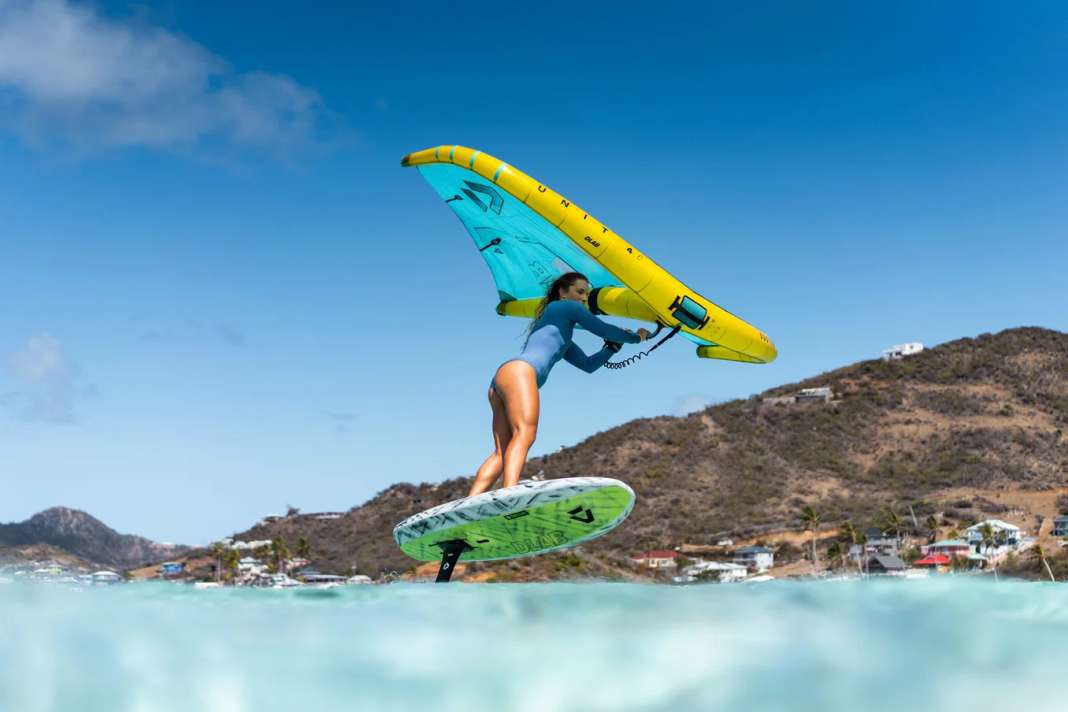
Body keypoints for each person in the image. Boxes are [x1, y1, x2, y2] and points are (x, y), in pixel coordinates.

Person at [467, 272, 650, 497]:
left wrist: (610, 349)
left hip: (502, 378)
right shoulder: (564, 307)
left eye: (587, 294)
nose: (584, 298)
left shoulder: (560, 335)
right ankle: (509, 495)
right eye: (580, 292)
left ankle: (468, 506)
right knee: (525, 435)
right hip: (520, 373)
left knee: (502, 451)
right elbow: (603, 329)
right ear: (563, 292)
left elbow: (587, 365)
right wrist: (637, 338)